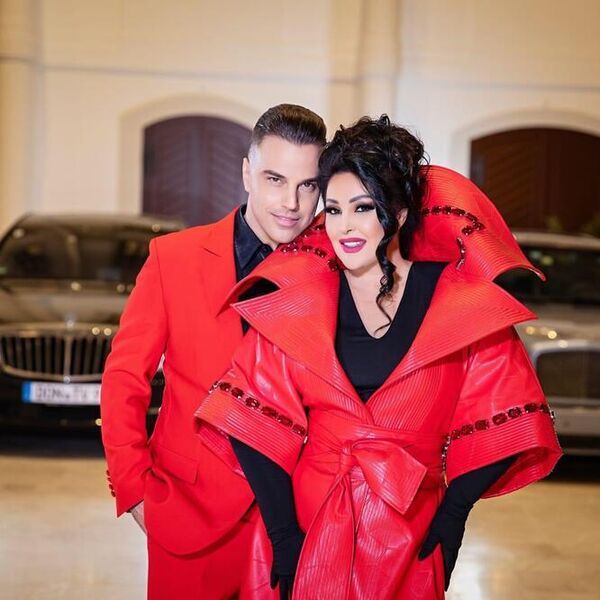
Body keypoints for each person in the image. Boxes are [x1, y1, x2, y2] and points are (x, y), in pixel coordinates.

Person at [194, 115, 563, 599]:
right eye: (334, 210)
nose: (345, 226)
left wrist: (454, 513)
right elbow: (248, 416)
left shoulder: (462, 304)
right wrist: (283, 536)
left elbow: (509, 414)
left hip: (412, 530)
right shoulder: (300, 302)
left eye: (363, 208)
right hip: (306, 524)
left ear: (400, 213)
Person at [100, 103, 326, 599]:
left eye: (308, 185)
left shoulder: (332, 273)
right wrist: (134, 489)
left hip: (295, 522)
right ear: (246, 173)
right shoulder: (173, 258)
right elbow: (124, 378)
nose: (291, 202)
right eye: (275, 179)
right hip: (187, 513)